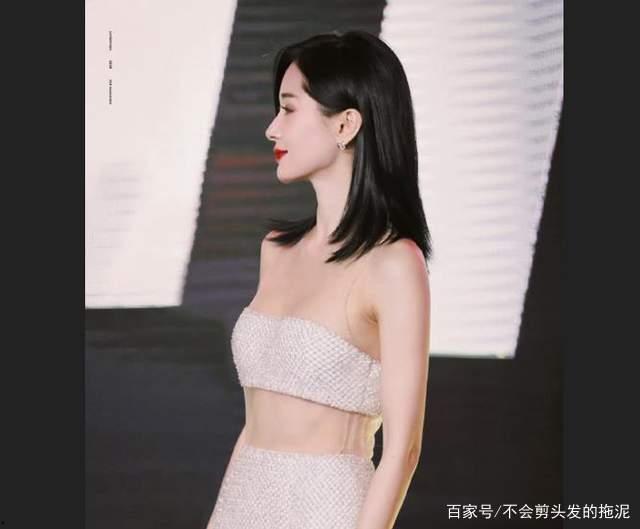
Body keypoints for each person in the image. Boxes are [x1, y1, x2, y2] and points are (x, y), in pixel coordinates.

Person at [206, 29, 432, 529]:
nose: (272, 129)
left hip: (326, 509)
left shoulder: (393, 265)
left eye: (289, 109)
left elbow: (403, 449)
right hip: (241, 502)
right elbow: (257, 423)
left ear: (345, 124)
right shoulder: (276, 250)